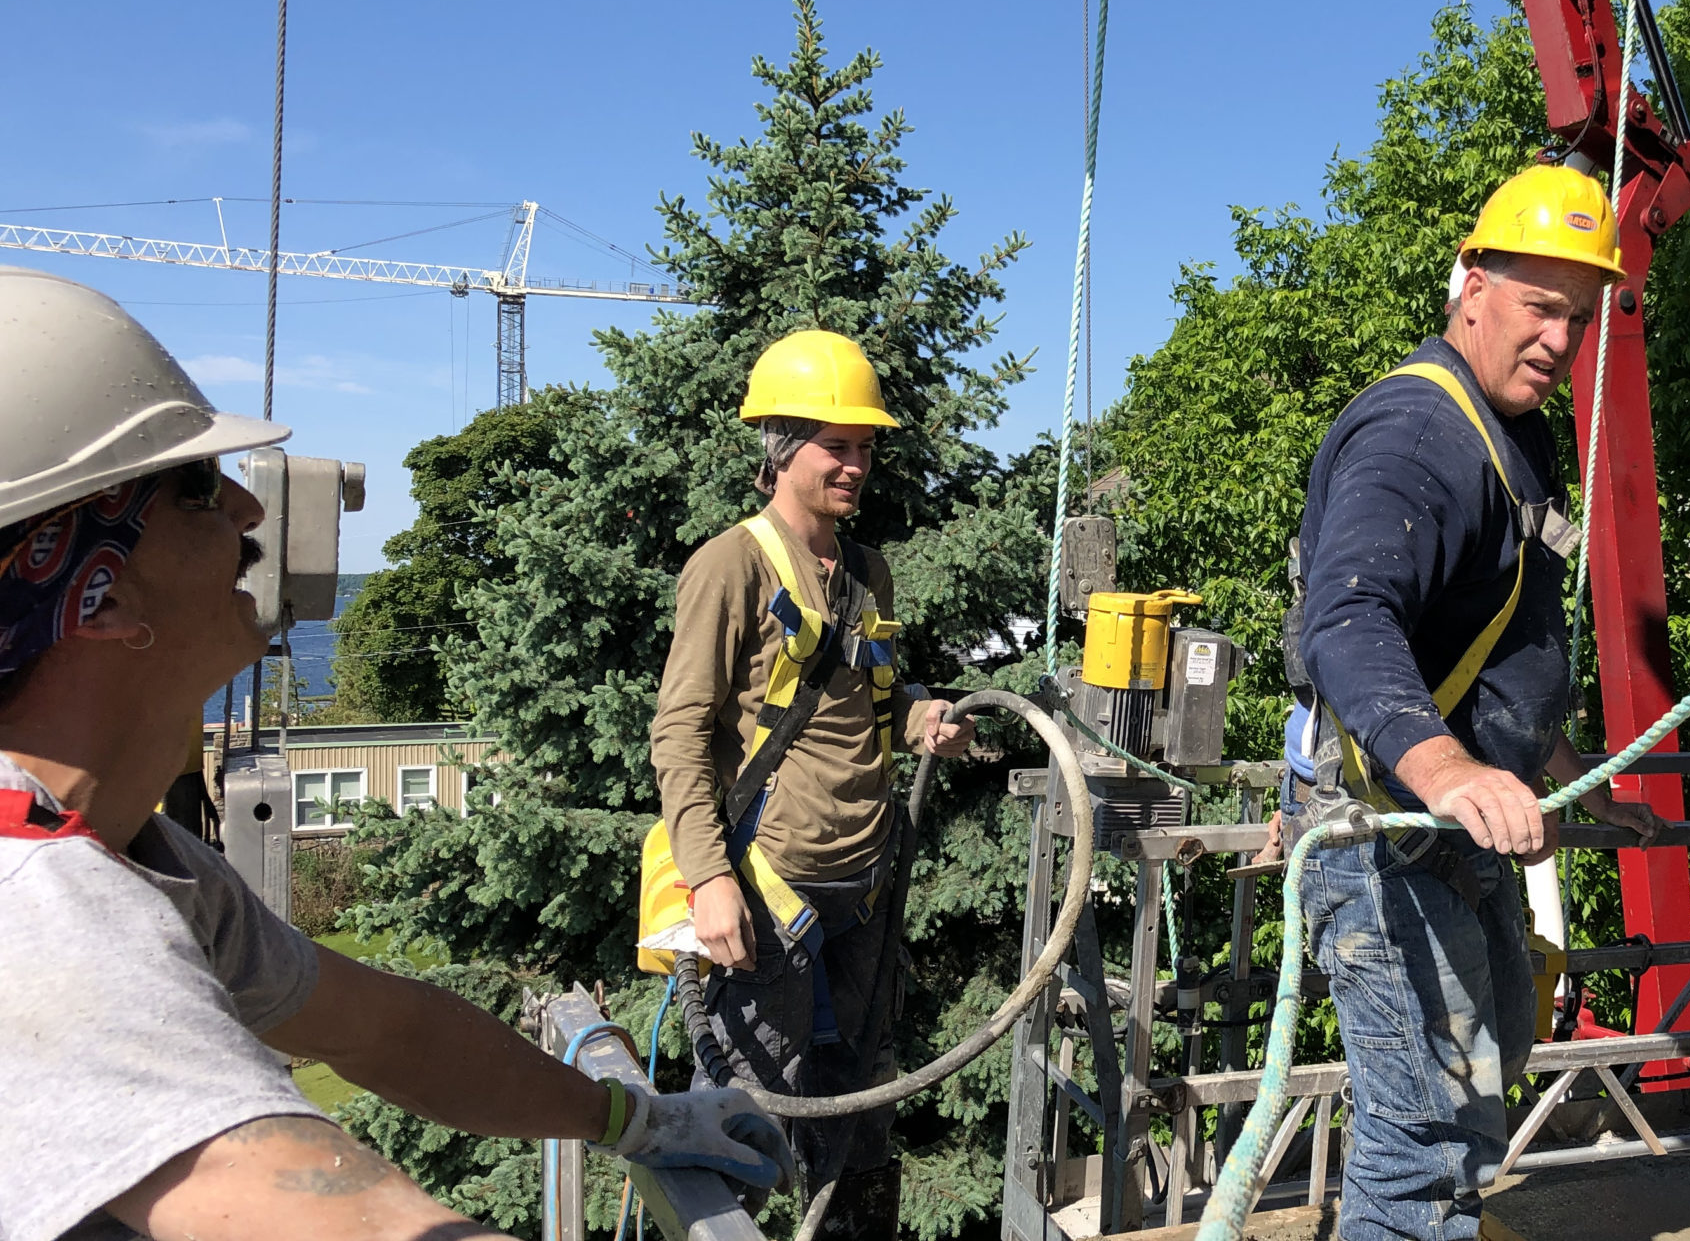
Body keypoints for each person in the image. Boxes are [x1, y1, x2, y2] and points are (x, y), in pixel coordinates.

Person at [0, 266, 790, 1241]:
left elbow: (390, 1031)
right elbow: (327, 1207)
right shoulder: (37, 905)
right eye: (200, 487)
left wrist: (634, 1114)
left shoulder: (145, 858)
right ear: (99, 592)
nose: (251, 513)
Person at [1293, 165, 1668, 1239]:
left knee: (1485, 1064)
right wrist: (1449, 768)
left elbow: (1495, 644)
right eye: (1539, 305)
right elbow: (1347, 620)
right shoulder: (1419, 434)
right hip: (1390, 827)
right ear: (1470, 285)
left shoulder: (1512, 432)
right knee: (1419, 1132)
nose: (1559, 338)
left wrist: (1564, 774)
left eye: (1578, 315)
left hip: (1454, 826)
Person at [651, 329, 975, 1239]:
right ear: (783, 448)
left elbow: (867, 701)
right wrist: (709, 879)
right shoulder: (733, 566)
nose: (856, 464)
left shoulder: (866, 570)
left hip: (861, 891)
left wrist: (923, 719)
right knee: (748, 1120)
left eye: (865, 447)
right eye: (838, 446)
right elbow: (679, 732)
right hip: (766, 892)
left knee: (858, 1115)